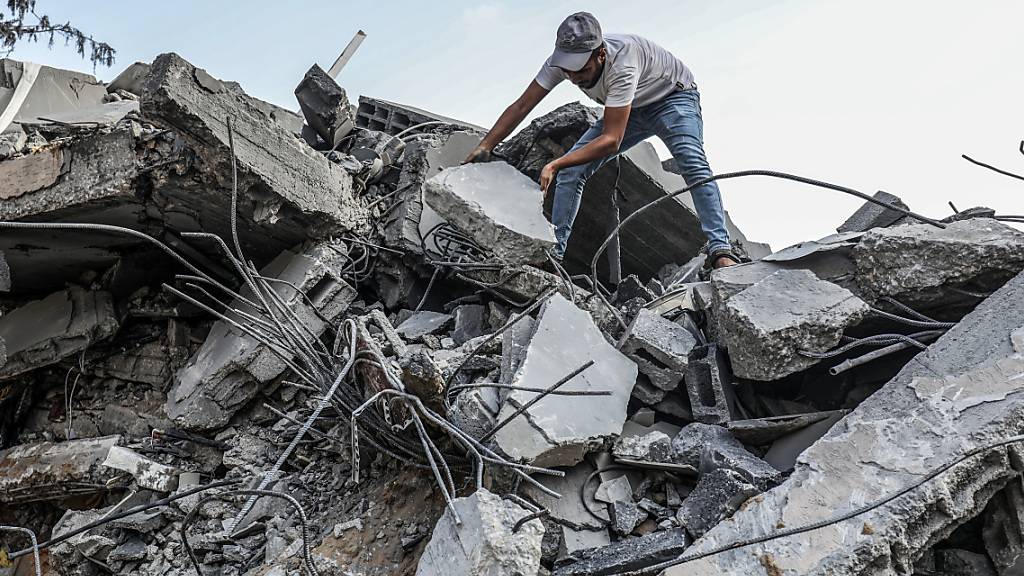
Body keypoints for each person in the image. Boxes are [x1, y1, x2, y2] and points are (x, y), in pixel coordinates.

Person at [465, 11, 738, 269]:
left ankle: (721, 250)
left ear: (601, 54)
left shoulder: (624, 60)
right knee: (573, 170)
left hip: (672, 98)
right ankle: (553, 256)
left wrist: (555, 163)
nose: (573, 78)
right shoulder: (563, 62)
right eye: (568, 71)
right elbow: (521, 106)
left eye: (580, 71)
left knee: (692, 162)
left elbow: (611, 140)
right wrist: (486, 146)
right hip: (628, 109)